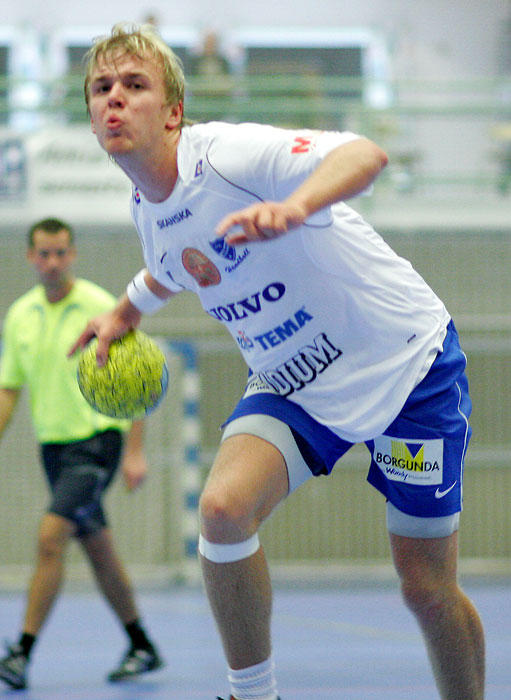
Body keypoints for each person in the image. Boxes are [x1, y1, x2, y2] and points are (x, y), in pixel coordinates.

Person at [72, 23, 485, 700]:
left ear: (174, 111)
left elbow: (364, 154)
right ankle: (253, 695)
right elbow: (171, 265)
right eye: (101, 87)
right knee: (222, 510)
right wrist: (125, 312)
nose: (114, 98)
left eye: (134, 84)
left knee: (425, 586)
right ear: (91, 115)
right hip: (295, 384)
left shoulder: (229, 155)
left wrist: (295, 205)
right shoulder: (147, 207)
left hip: (405, 366)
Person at [0, 217, 164, 690]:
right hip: (53, 450)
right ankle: (141, 644)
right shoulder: (19, 316)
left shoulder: (99, 305)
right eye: (43, 254)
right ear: (31, 257)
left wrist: (135, 451)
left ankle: (20, 653)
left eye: (60, 253)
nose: (52, 262)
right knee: (99, 549)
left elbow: (139, 379)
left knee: (52, 537)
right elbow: (8, 391)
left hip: (97, 444)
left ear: (72, 254)